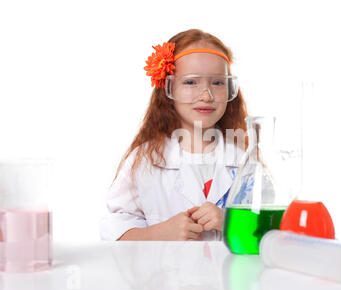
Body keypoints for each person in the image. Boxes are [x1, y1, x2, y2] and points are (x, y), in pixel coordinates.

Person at [99, 29, 249, 241]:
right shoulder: (144, 161)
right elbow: (113, 229)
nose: (206, 95)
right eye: (190, 82)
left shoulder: (244, 159)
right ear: (168, 90)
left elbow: (267, 233)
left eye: (217, 82)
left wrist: (230, 223)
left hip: (228, 274)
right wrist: (158, 234)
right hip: (165, 274)